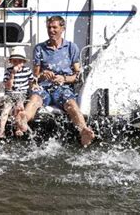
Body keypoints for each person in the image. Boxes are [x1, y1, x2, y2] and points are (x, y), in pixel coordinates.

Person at [15, 16, 95, 147]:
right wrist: (42, 74)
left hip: (62, 87)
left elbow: (77, 76)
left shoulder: (71, 47)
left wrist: (64, 78)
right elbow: (35, 76)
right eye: (49, 27)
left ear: (62, 28)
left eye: (54, 27)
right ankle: (23, 120)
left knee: (71, 104)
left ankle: (84, 130)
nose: (51, 30)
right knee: (35, 99)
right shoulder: (39, 48)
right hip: (44, 87)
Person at [0, 46, 34, 138]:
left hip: (22, 94)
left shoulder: (27, 70)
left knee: (19, 106)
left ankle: (18, 127)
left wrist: (34, 87)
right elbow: (8, 87)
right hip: (10, 94)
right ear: (11, 62)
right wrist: (12, 74)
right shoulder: (9, 71)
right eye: (15, 61)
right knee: (6, 109)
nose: (17, 63)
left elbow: (32, 81)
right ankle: (1, 131)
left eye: (20, 61)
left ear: (23, 62)